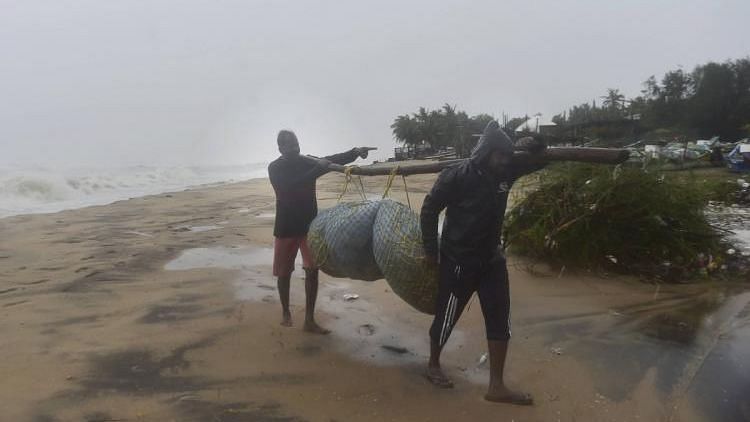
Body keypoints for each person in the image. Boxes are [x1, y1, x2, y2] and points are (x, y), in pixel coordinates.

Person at [420, 121, 546, 404]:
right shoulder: (456, 175)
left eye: (507, 155)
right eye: (499, 154)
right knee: (447, 315)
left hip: (492, 259)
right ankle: (433, 364)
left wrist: (533, 143)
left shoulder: (508, 170)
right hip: (458, 260)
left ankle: (497, 386)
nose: (504, 160)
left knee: (500, 318)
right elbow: (429, 210)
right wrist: (430, 251)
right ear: (485, 152)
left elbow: (541, 159)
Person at [268, 129, 369, 334]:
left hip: (309, 227)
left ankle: (309, 320)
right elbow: (289, 185)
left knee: (312, 271)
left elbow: (332, 160)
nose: (295, 148)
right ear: (280, 148)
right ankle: (286, 311)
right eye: (289, 145)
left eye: (296, 143)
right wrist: (317, 169)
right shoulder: (275, 168)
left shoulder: (308, 161)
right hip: (286, 228)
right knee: (283, 273)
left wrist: (355, 152)